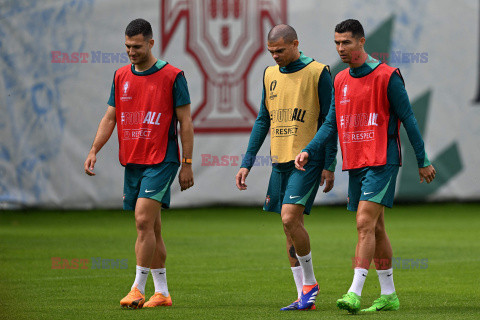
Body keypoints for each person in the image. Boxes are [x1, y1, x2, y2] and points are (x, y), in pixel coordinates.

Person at [295, 19, 436, 314]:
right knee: (377, 228)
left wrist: (422, 160)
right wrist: (309, 149)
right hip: (356, 162)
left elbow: (409, 118)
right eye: (336, 43)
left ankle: (354, 293)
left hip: (383, 160)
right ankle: (389, 294)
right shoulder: (340, 80)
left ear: (361, 42)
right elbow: (332, 122)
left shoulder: (388, 76)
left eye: (346, 42)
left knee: (363, 224)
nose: (340, 48)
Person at [84, 18, 194, 309]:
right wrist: (95, 149)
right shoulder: (121, 76)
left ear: (150, 43)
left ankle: (137, 288)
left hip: (162, 159)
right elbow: (111, 117)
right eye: (127, 47)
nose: (131, 51)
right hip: (133, 160)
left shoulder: (173, 76)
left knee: (143, 220)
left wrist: (187, 163)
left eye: (136, 46)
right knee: (153, 229)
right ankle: (162, 293)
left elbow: (185, 122)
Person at [235, 24, 338, 311]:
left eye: (280, 50)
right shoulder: (269, 74)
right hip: (279, 160)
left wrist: (329, 162)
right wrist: (247, 163)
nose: (275, 56)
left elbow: (331, 121)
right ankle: (303, 296)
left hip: (307, 160)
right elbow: (261, 120)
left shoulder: (318, 72)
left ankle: (311, 283)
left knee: (289, 218)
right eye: (271, 52)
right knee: (289, 229)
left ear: (295, 44)